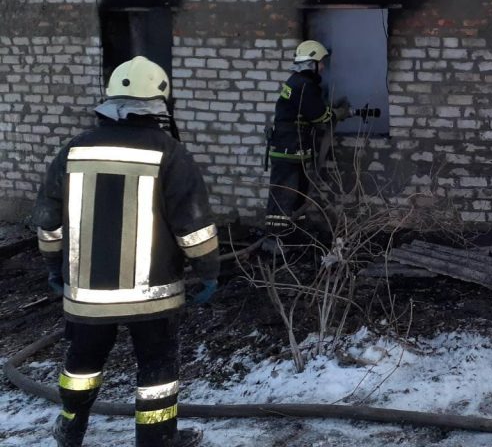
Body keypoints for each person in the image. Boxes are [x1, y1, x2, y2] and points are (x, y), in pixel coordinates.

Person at [34, 56, 219, 447]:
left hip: (88, 295)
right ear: (159, 103)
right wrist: (208, 272)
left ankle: (70, 428)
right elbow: (194, 225)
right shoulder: (170, 153)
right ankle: (157, 439)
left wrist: (54, 266)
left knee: (81, 365)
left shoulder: (73, 150)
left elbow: (49, 220)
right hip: (153, 295)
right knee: (156, 370)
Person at [264, 40, 348, 243]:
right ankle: (275, 240)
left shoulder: (298, 82)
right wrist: (337, 113)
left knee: (297, 196)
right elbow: (320, 118)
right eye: (320, 62)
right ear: (311, 63)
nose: (323, 67)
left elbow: (310, 110)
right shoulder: (304, 85)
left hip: (293, 150)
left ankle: (294, 236)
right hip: (289, 150)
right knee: (284, 196)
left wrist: (330, 109)